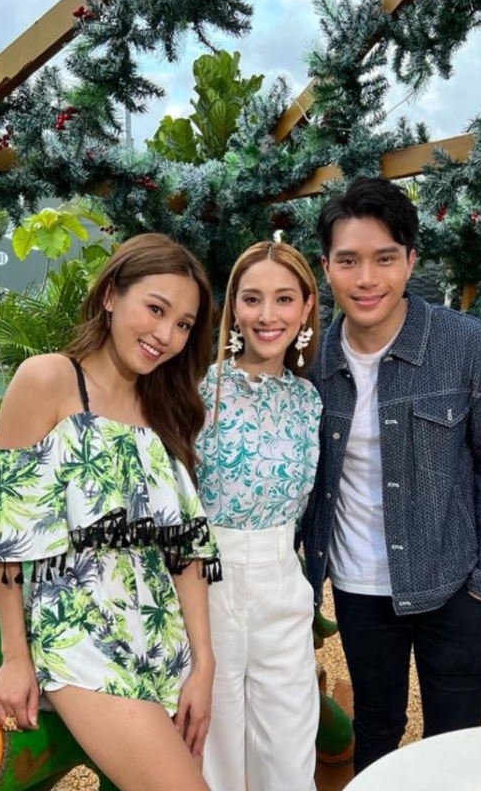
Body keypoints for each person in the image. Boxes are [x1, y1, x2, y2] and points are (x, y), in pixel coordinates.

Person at [0, 233, 221, 791]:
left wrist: (204, 665)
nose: (166, 336)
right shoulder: (48, 379)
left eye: (183, 324)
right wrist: (16, 657)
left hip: (165, 641)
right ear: (110, 295)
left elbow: (187, 552)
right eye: (155, 309)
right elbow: (7, 530)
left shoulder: (164, 404)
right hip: (83, 637)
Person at [301, 177, 481, 773]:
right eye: (348, 260)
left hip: (454, 584)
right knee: (376, 729)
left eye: (384, 258)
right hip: (358, 587)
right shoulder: (310, 362)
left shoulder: (467, 347)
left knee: (455, 743)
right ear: (326, 267)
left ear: (410, 260)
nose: (366, 279)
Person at [196, 239, 322, 791]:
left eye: (284, 299)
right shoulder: (198, 391)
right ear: (234, 307)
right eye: (252, 299)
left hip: (282, 583)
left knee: (288, 751)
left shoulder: (309, 401)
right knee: (213, 750)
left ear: (306, 307)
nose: (267, 315)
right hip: (206, 585)